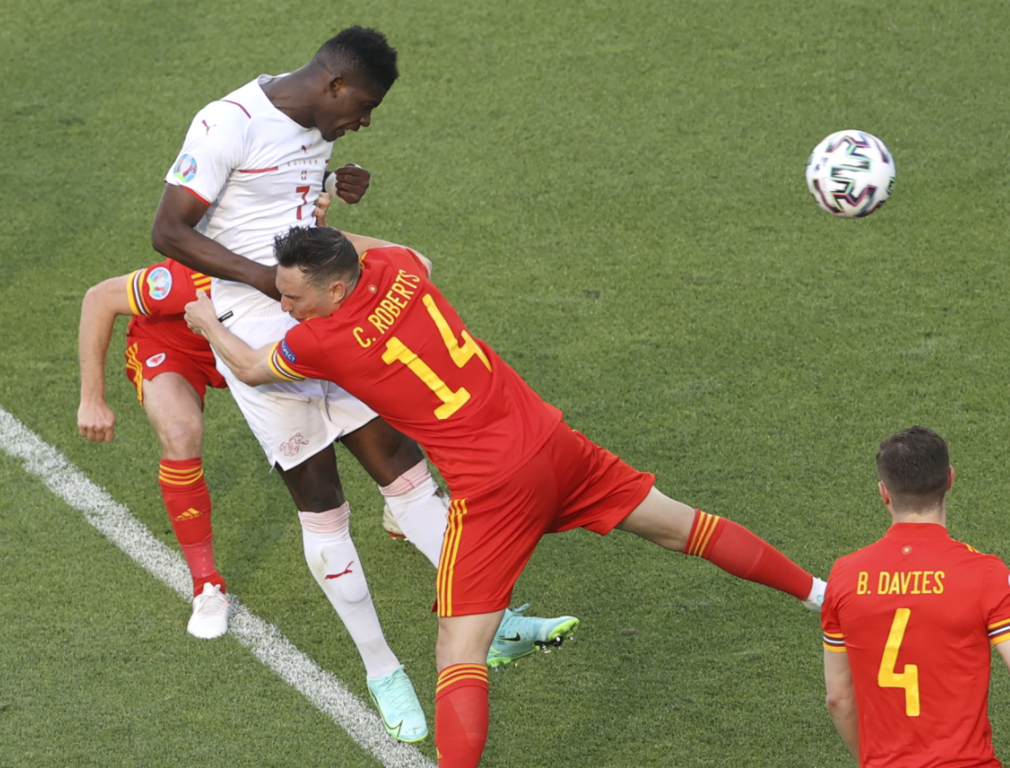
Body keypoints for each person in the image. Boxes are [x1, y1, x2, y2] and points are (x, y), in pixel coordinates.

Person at [182, 225, 828, 767]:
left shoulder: (323, 341)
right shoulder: (398, 267)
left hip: (493, 488)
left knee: (458, 650)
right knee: (684, 527)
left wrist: (209, 322)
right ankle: (821, 596)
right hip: (554, 444)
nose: (285, 304)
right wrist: (329, 227)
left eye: (293, 294)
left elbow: (247, 368)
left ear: (335, 287)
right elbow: (404, 255)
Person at [150, 27, 575, 741]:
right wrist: (268, 285)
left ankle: (495, 625)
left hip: (327, 314)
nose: (365, 122)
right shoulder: (228, 121)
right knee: (322, 503)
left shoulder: (314, 128)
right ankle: (383, 672)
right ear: (335, 85)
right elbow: (168, 229)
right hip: (256, 332)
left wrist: (336, 190)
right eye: (365, 106)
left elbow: (285, 216)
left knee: (403, 469)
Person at [821, 426, 1010, 767]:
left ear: (884, 492)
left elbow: (838, 698)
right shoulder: (986, 574)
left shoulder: (845, 575)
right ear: (950, 478)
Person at [78, 258, 232, 639]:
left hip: (246, 350)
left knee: (336, 395)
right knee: (180, 433)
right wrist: (92, 399)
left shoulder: (287, 261)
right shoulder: (185, 278)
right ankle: (206, 586)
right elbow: (99, 299)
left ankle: (399, 494)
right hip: (174, 349)